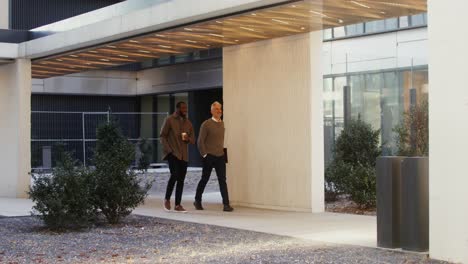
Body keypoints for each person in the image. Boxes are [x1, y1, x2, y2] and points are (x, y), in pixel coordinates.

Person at [194, 101, 234, 212]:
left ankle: (226, 204)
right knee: (204, 179)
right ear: (212, 111)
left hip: (220, 156)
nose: (219, 111)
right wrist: (205, 155)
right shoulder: (206, 124)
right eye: (217, 109)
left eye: (220, 109)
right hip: (209, 156)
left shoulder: (222, 124)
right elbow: (200, 141)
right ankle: (197, 200)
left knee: (222, 180)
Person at [160, 101, 195, 213]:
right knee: (174, 175)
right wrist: (169, 150)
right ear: (177, 109)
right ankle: (167, 199)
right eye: (183, 108)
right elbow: (162, 136)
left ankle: (178, 205)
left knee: (181, 180)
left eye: (186, 108)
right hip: (173, 153)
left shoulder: (188, 123)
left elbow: (193, 140)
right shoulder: (169, 120)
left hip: (184, 155)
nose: (185, 110)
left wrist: (188, 139)